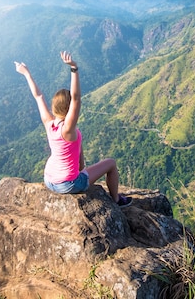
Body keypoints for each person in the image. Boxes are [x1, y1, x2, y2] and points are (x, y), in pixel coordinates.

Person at [14, 51, 132, 207]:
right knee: (110, 163)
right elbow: (76, 98)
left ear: (54, 107)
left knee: (81, 169)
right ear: (69, 110)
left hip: (49, 180)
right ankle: (117, 200)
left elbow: (38, 96)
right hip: (67, 184)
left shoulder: (49, 123)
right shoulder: (68, 129)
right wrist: (74, 69)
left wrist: (26, 73)